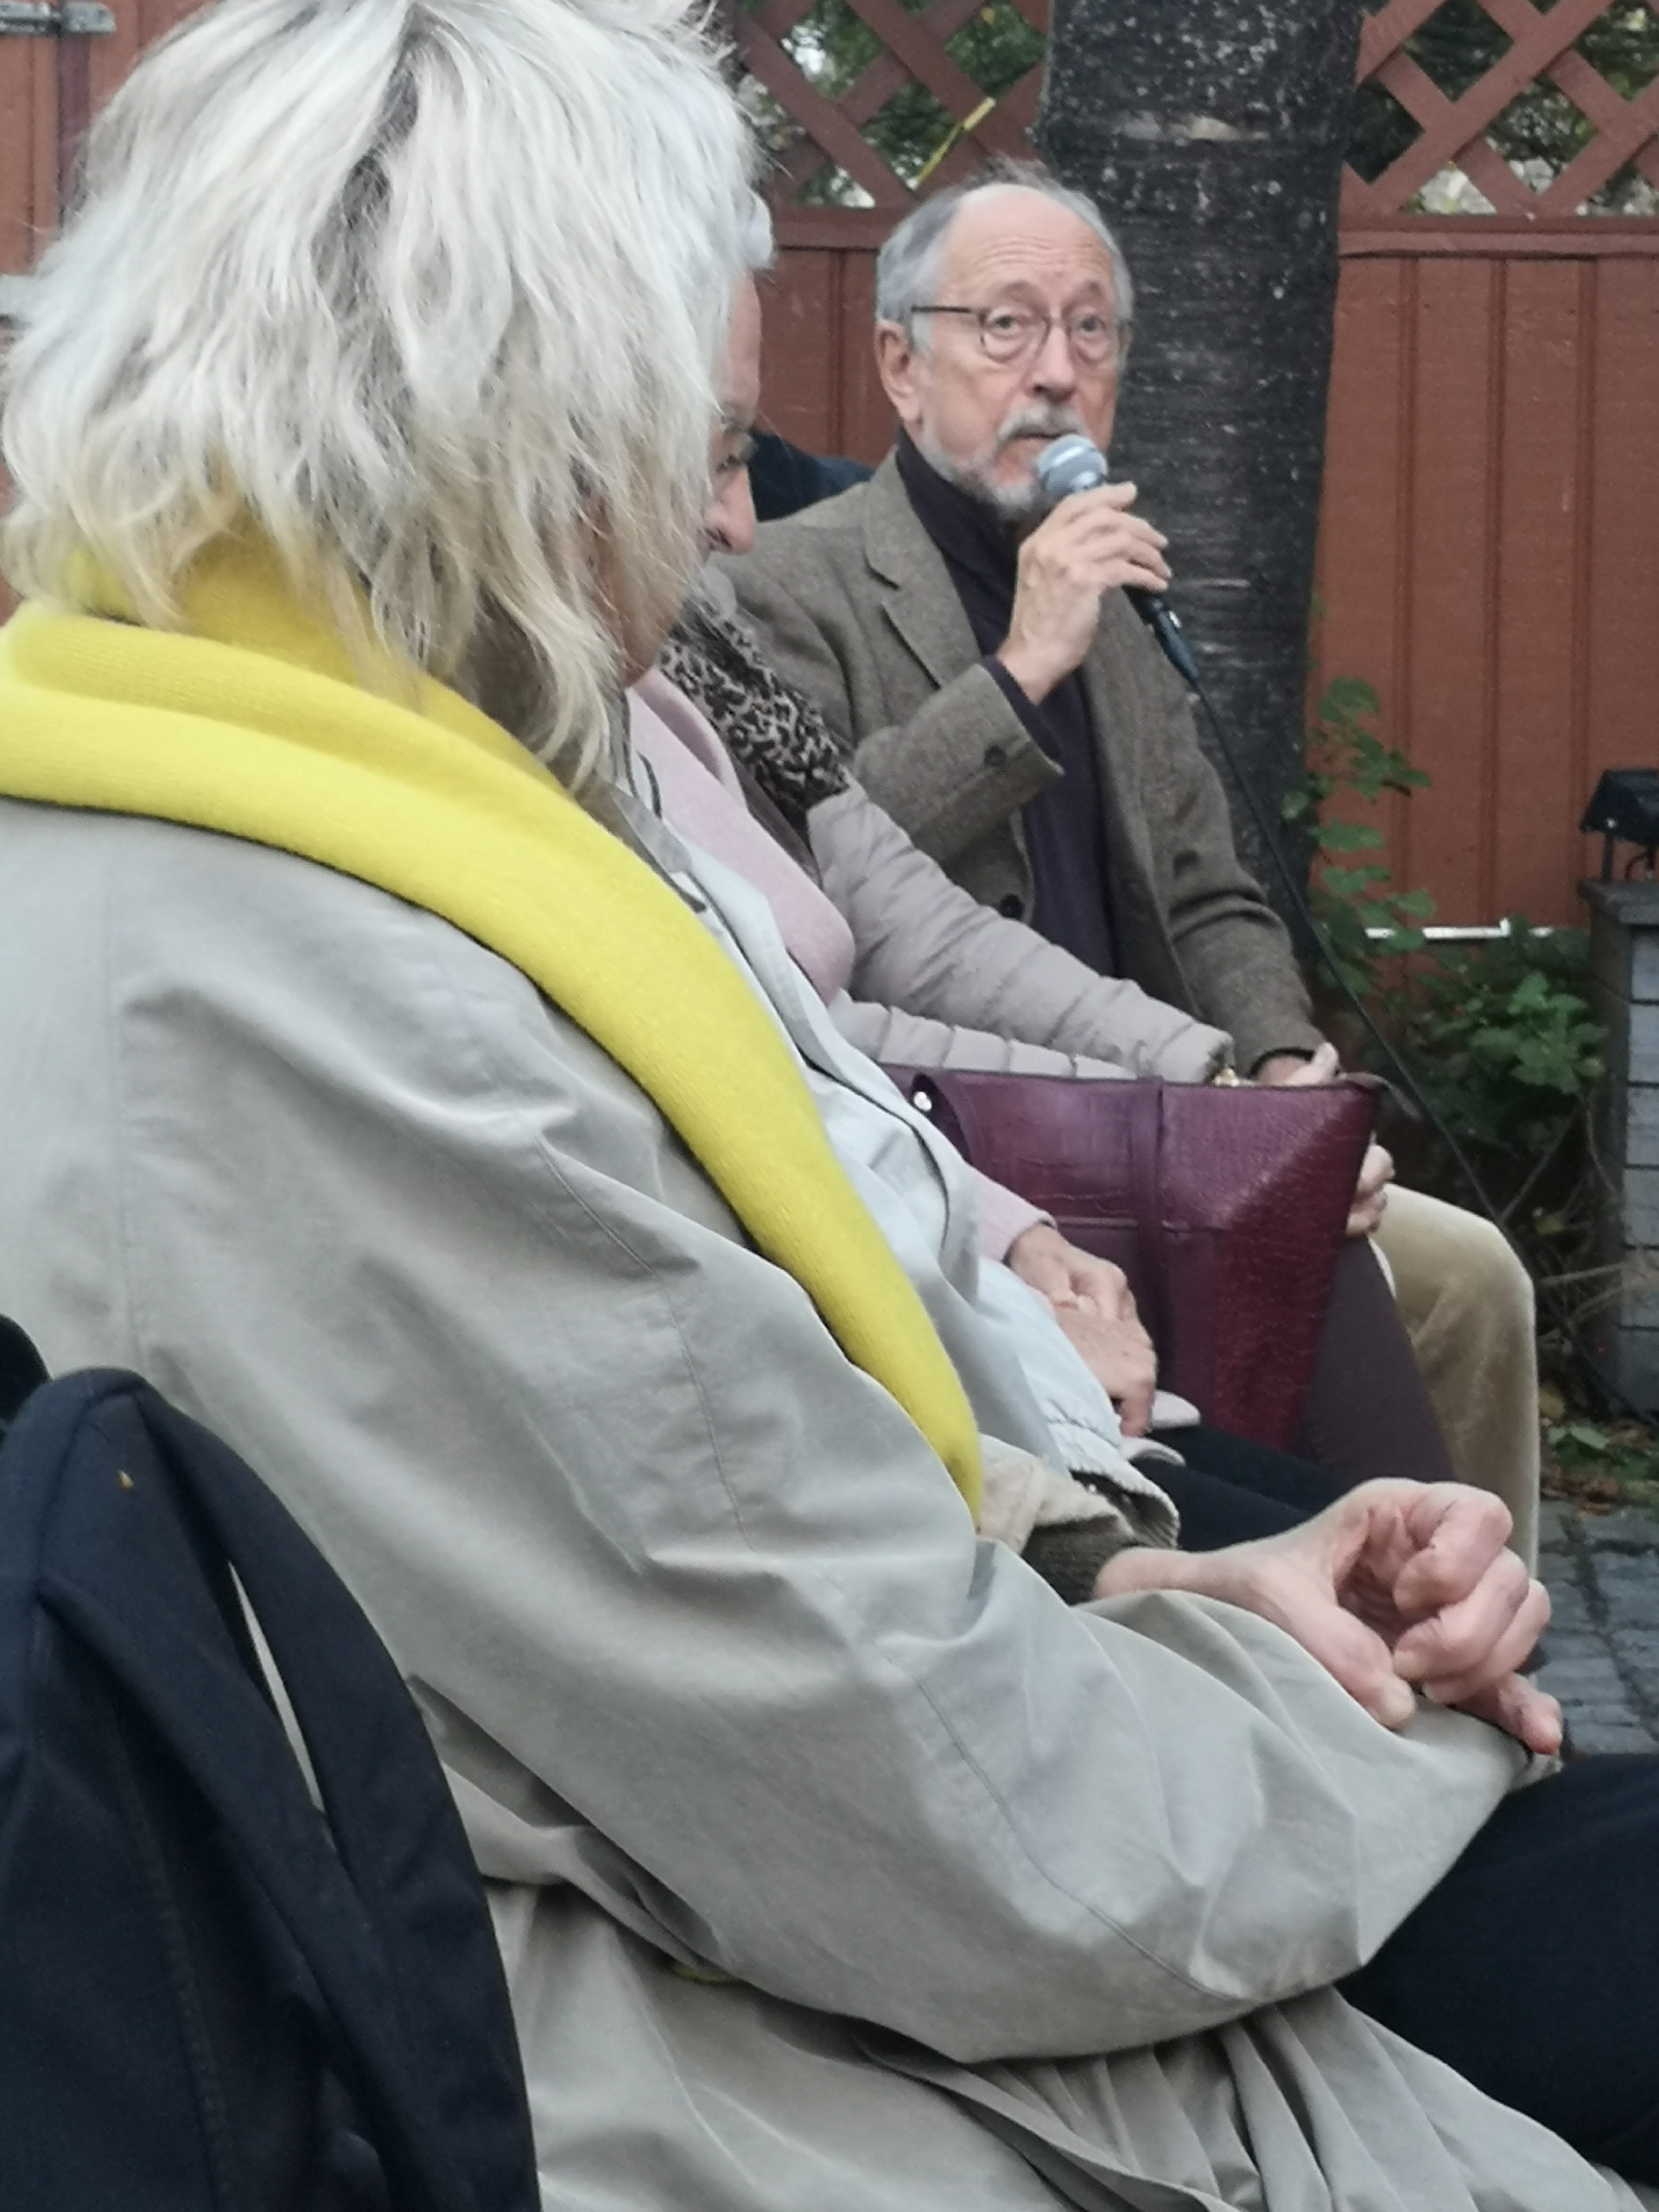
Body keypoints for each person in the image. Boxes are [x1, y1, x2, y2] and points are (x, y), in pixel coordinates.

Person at [1, 6, 1655, 2208]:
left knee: (1421, 1290)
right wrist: (1342, 1682)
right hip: (736, 2001)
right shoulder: (506, 852)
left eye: (1090, 327)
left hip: (921, 1614)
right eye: (694, 438)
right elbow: (953, 1798)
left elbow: (1125, 905)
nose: (710, 512)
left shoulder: (302, 782)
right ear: (546, 430)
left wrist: (1243, 1074)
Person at [722, 159, 1541, 1567]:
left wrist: (1279, 1073)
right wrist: (1020, 667)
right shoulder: (779, 583)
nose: (1055, 372)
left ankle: (1478, 1619)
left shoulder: (1115, 589)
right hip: (969, 1129)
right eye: (1007, 325)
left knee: (1478, 1280)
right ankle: (1367, 1617)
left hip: (1183, 1106)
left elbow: (1213, 893)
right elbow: (825, 882)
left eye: (1090, 330)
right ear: (901, 366)